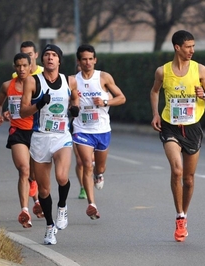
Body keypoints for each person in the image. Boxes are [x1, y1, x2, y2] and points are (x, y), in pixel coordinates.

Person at [150, 30, 205, 242]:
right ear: (177, 47)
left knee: (189, 178)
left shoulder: (200, 69)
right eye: (188, 46)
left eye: (193, 46)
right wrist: (156, 114)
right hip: (170, 126)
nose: (192, 50)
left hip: (193, 127)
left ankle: (184, 214)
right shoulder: (163, 71)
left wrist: (203, 95)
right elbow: (155, 91)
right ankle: (178, 216)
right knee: (177, 170)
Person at [20, 44, 79, 245]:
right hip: (40, 138)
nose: (50, 58)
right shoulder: (32, 81)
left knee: (62, 176)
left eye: (54, 55)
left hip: (62, 135)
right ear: (42, 60)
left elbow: (75, 97)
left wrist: (75, 108)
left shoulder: (68, 80)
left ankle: (62, 207)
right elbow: (23, 111)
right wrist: (39, 104)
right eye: (46, 55)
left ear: (59, 60)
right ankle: (49, 226)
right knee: (44, 191)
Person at [72, 44, 126, 220]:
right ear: (78, 62)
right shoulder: (72, 80)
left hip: (102, 129)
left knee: (99, 166)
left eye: (90, 59)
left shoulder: (103, 77)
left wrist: (105, 102)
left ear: (95, 60)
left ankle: (99, 174)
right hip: (81, 129)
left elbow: (121, 98)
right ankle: (92, 204)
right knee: (86, 163)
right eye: (84, 59)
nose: (87, 62)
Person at [0, 53, 44, 229]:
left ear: (31, 66)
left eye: (25, 65)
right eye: (18, 66)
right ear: (14, 67)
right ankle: (25, 210)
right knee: (23, 169)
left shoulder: (38, 85)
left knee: (35, 174)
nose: (21, 69)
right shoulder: (8, 85)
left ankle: (35, 192)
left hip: (37, 132)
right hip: (17, 132)